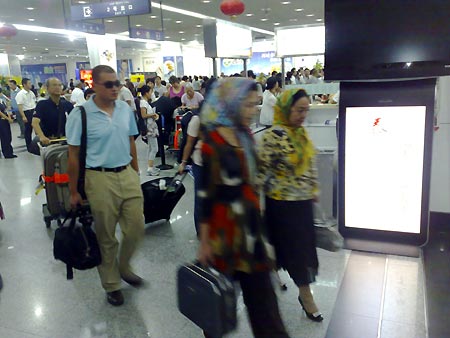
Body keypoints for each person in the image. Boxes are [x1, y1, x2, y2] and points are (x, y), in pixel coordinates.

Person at [197, 78, 290, 338]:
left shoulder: (245, 135)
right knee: (217, 307)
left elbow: (254, 181)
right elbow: (206, 194)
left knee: (265, 306)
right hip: (224, 233)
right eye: (248, 105)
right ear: (234, 103)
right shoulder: (212, 141)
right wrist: (204, 242)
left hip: (252, 231)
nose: (253, 111)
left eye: (255, 105)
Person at [66, 65, 144, 306]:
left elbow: (130, 140)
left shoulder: (124, 109)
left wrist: (135, 170)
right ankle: (111, 284)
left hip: (127, 172)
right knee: (106, 235)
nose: (114, 88)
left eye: (117, 84)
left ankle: (124, 266)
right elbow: (73, 154)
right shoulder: (81, 115)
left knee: (136, 227)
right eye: (108, 84)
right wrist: (73, 191)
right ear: (95, 86)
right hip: (98, 178)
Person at [258, 89, 323, 322]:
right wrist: (257, 204)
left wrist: (314, 188)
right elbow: (261, 172)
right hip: (280, 206)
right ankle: (286, 292)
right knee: (282, 251)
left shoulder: (301, 133)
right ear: (286, 108)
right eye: (299, 110)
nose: (303, 115)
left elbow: (310, 162)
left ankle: (304, 296)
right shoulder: (273, 136)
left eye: (306, 110)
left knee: (302, 253)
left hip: (302, 205)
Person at [32, 77, 73, 147]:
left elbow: (76, 121)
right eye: (54, 85)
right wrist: (42, 137)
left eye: (59, 85)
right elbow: (35, 122)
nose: (57, 87)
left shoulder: (67, 105)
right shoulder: (42, 105)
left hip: (65, 141)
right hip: (48, 142)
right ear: (47, 88)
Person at [139, 85, 160, 176]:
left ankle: (150, 166)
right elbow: (143, 115)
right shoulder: (143, 103)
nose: (151, 94)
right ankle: (150, 168)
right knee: (155, 148)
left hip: (151, 127)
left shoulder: (145, 102)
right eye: (150, 92)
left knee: (151, 147)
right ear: (146, 93)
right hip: (150, 128)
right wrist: (153, 114)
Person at [15, 78, 37, 152]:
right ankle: (29, 147)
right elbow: (20, 106)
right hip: (26, 113)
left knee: (37, 128)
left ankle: (36, 144)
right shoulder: (20, 94)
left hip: (33, 111)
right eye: (29, 83)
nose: (31, 84)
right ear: (24, 84)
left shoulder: (31, 92)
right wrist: (23, 116)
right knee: (28, 130)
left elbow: (34, 102)